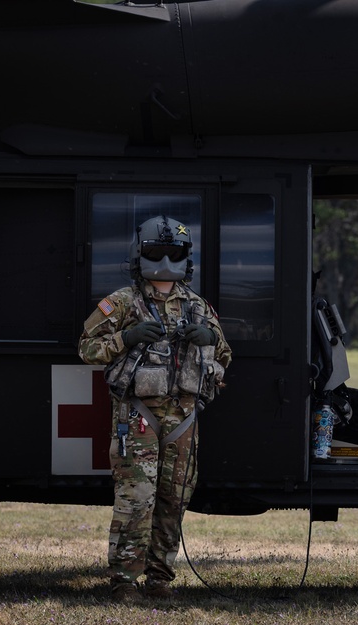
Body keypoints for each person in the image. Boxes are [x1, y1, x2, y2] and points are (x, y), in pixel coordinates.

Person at [79, 215, 232, 602]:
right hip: (138, 415)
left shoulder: (198, 307)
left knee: (173, 499)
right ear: (141, 254)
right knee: (137, 497)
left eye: (173, 251)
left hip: (183, 417)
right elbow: (87, 349)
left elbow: (225, 355)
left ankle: (159, 578)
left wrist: (209, 337)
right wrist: (125, 338)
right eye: (156, 251)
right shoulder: (124, 303)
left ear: (185, 256)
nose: (165, 259)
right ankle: (124, 581)